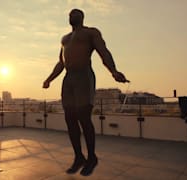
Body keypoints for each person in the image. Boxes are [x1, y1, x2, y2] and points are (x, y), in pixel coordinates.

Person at [42, 9, 129, 176]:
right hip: (69, 79)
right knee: (70, 119)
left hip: (84, 77)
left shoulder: (91, 33)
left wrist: (114, 71)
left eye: (75, 14)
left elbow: (104, 52)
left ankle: (91, 158)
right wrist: (49, 79)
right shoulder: (65, 39)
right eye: (69, 14)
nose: (71, 16)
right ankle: (78, 157)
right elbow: (61, 63)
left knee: (84, 117)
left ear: (81, 17)